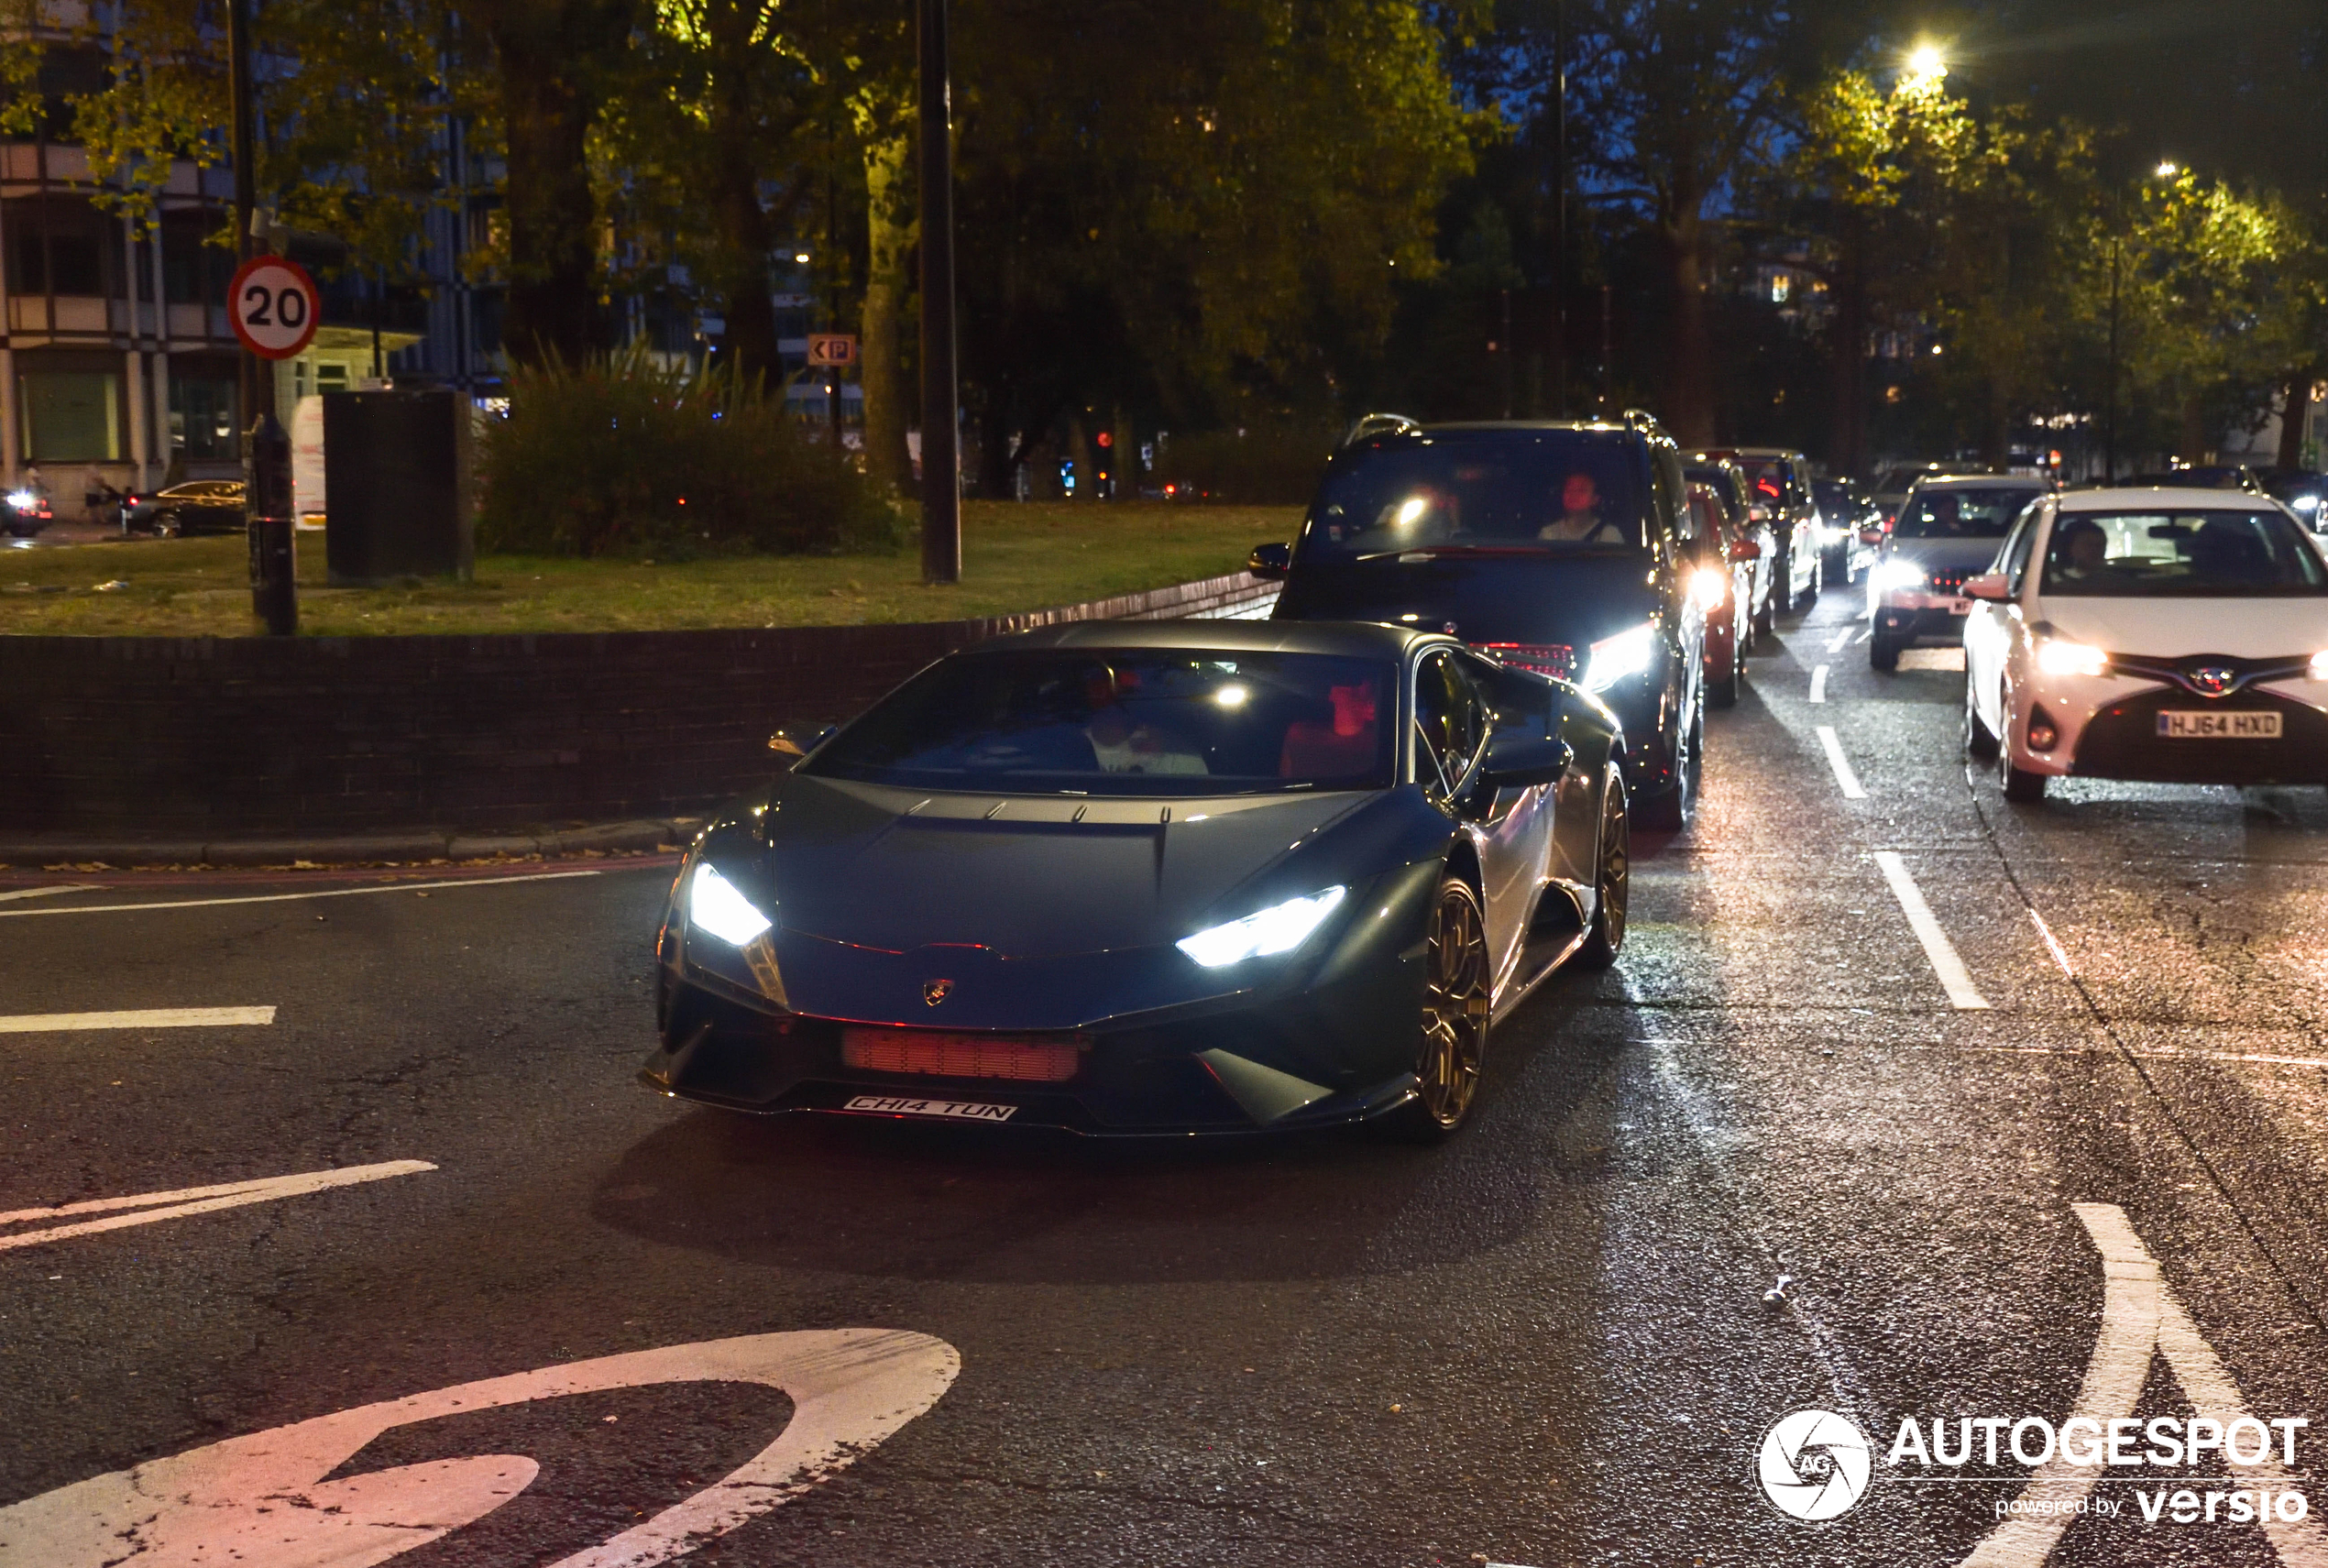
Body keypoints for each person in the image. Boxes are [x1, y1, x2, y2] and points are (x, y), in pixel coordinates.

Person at [1539, 471, 1628, 543]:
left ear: (1595, 499)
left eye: (1581, 490)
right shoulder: (1548, 534)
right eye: (1569, 489)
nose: (1573, 495)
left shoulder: (1608, 535)